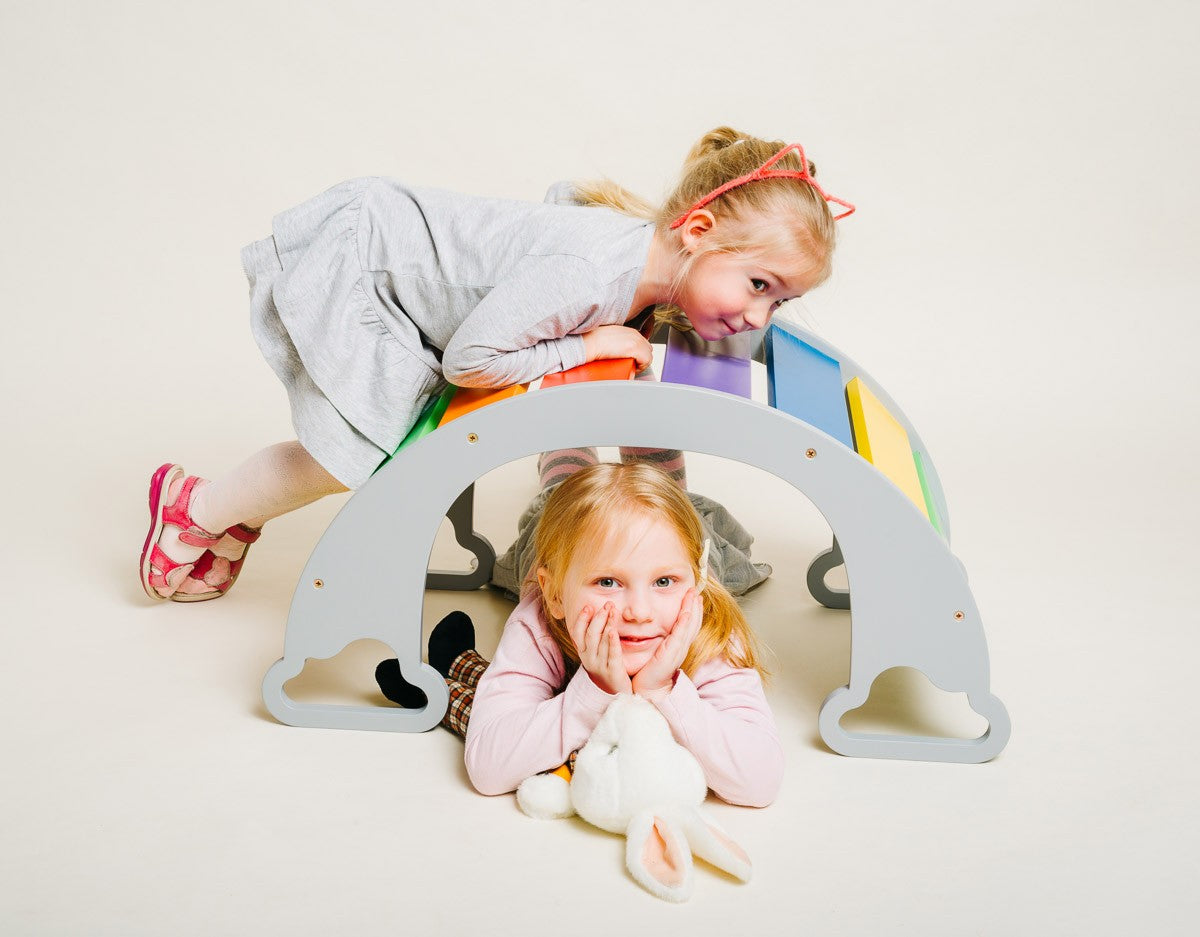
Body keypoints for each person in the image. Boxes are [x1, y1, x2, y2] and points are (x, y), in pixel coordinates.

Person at [139, 126, 854, 602]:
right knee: (352, 454)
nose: (758, 316)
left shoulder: (652, 270)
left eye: (780, 301)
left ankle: (223, 515)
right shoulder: (591, 274)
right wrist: (586, 348)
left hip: (408, 266)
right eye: (758, 285)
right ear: (696, 231)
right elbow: (470, 359)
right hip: (372, 267)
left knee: (365, 450)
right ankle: (197, 509)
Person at [379, 461, 785, 808]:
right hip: (543, 538)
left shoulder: (706, 626)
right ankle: (565, 458)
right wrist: (597, 691)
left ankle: (648, 453)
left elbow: (760, 781)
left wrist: (663, 689)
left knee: (688, 516)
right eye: (607, 582)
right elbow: (488, 768)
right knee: (560, 488)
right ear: (556, 595)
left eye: (664, 581)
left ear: (693, 584)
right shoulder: (539, 618)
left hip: (699, 542)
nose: (639, 613)